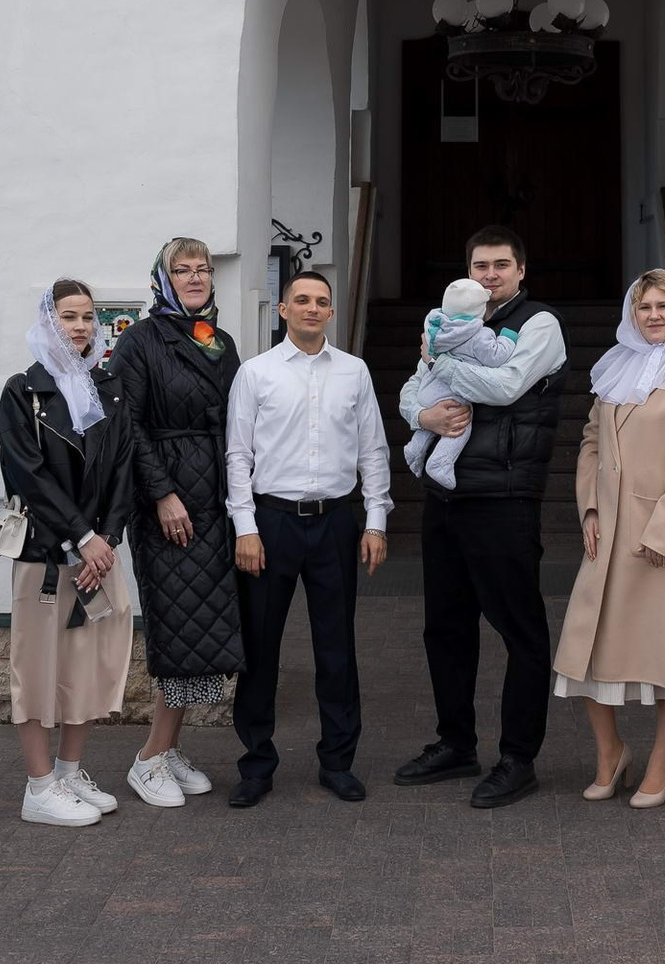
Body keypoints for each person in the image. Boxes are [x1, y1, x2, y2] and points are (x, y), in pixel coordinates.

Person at [394, 226, 567, 811]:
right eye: (479, 266)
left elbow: (509, 387)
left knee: (520, 631)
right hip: (446, 497)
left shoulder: (539, 324)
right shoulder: (449, 319)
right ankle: (455, 743)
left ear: (521, 270)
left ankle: (519, 757)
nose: (490, 275)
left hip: (504, 498)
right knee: (445, 628)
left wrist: (442, 360)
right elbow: (413, 389)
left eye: (500, 265)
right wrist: (423, 415)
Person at [552, 271, 665, 809]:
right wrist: (589, 507)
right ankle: (610, 752)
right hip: (608, 533)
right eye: (643, 307)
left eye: (663, 306)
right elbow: (591, 441)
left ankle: (662, 758)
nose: (653, 315)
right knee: (586, 647)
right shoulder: (616, 365)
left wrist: (664, 533)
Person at [225, 269, 391, 807]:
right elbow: (238, 456)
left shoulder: (354, 372)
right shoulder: (256, 373)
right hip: (270, 522)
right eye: (302, 300)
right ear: (283, 309)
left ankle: (337, 762)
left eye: (321, 301)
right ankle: (256, 765)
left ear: (331, 312)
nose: (312, 308)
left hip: (335, 522)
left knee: (336, 648)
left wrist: (375, 521)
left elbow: (373, 450)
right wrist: (246, 528)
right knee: (260, 647)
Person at [107, 238, 246, 808]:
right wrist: (162, 494)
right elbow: (127, 425)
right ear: (163, 279)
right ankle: (148, 759)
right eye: (182, 270)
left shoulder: (219, 340)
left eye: (203, 270)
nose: (194, 278)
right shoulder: (140, 340)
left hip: (215, 497)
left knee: (202, 625)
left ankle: (167, 750)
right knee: (178, 625)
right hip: (170, 504)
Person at [0, 281, 137, 828]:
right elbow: (27, 474)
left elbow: (123, 467)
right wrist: (81, 536)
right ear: (48, 322)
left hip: (98, 553)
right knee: (36, 668)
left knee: (88, 665)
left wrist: (108, 538)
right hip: (47, 554)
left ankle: (69, 772)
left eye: (87, 317)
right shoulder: (23, 392)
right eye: (68, 317)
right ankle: (38, 787)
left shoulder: (107, 387)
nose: (79, 327)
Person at [402, 278, 513, 484]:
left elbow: (420, 371)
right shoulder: (478, 335)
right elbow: (496, 357)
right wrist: (507, 338)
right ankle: (440, 463)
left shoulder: (435, 329)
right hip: (451, 394)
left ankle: (414, 450)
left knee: (432, 424)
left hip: (426, 391)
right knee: (460, 425)